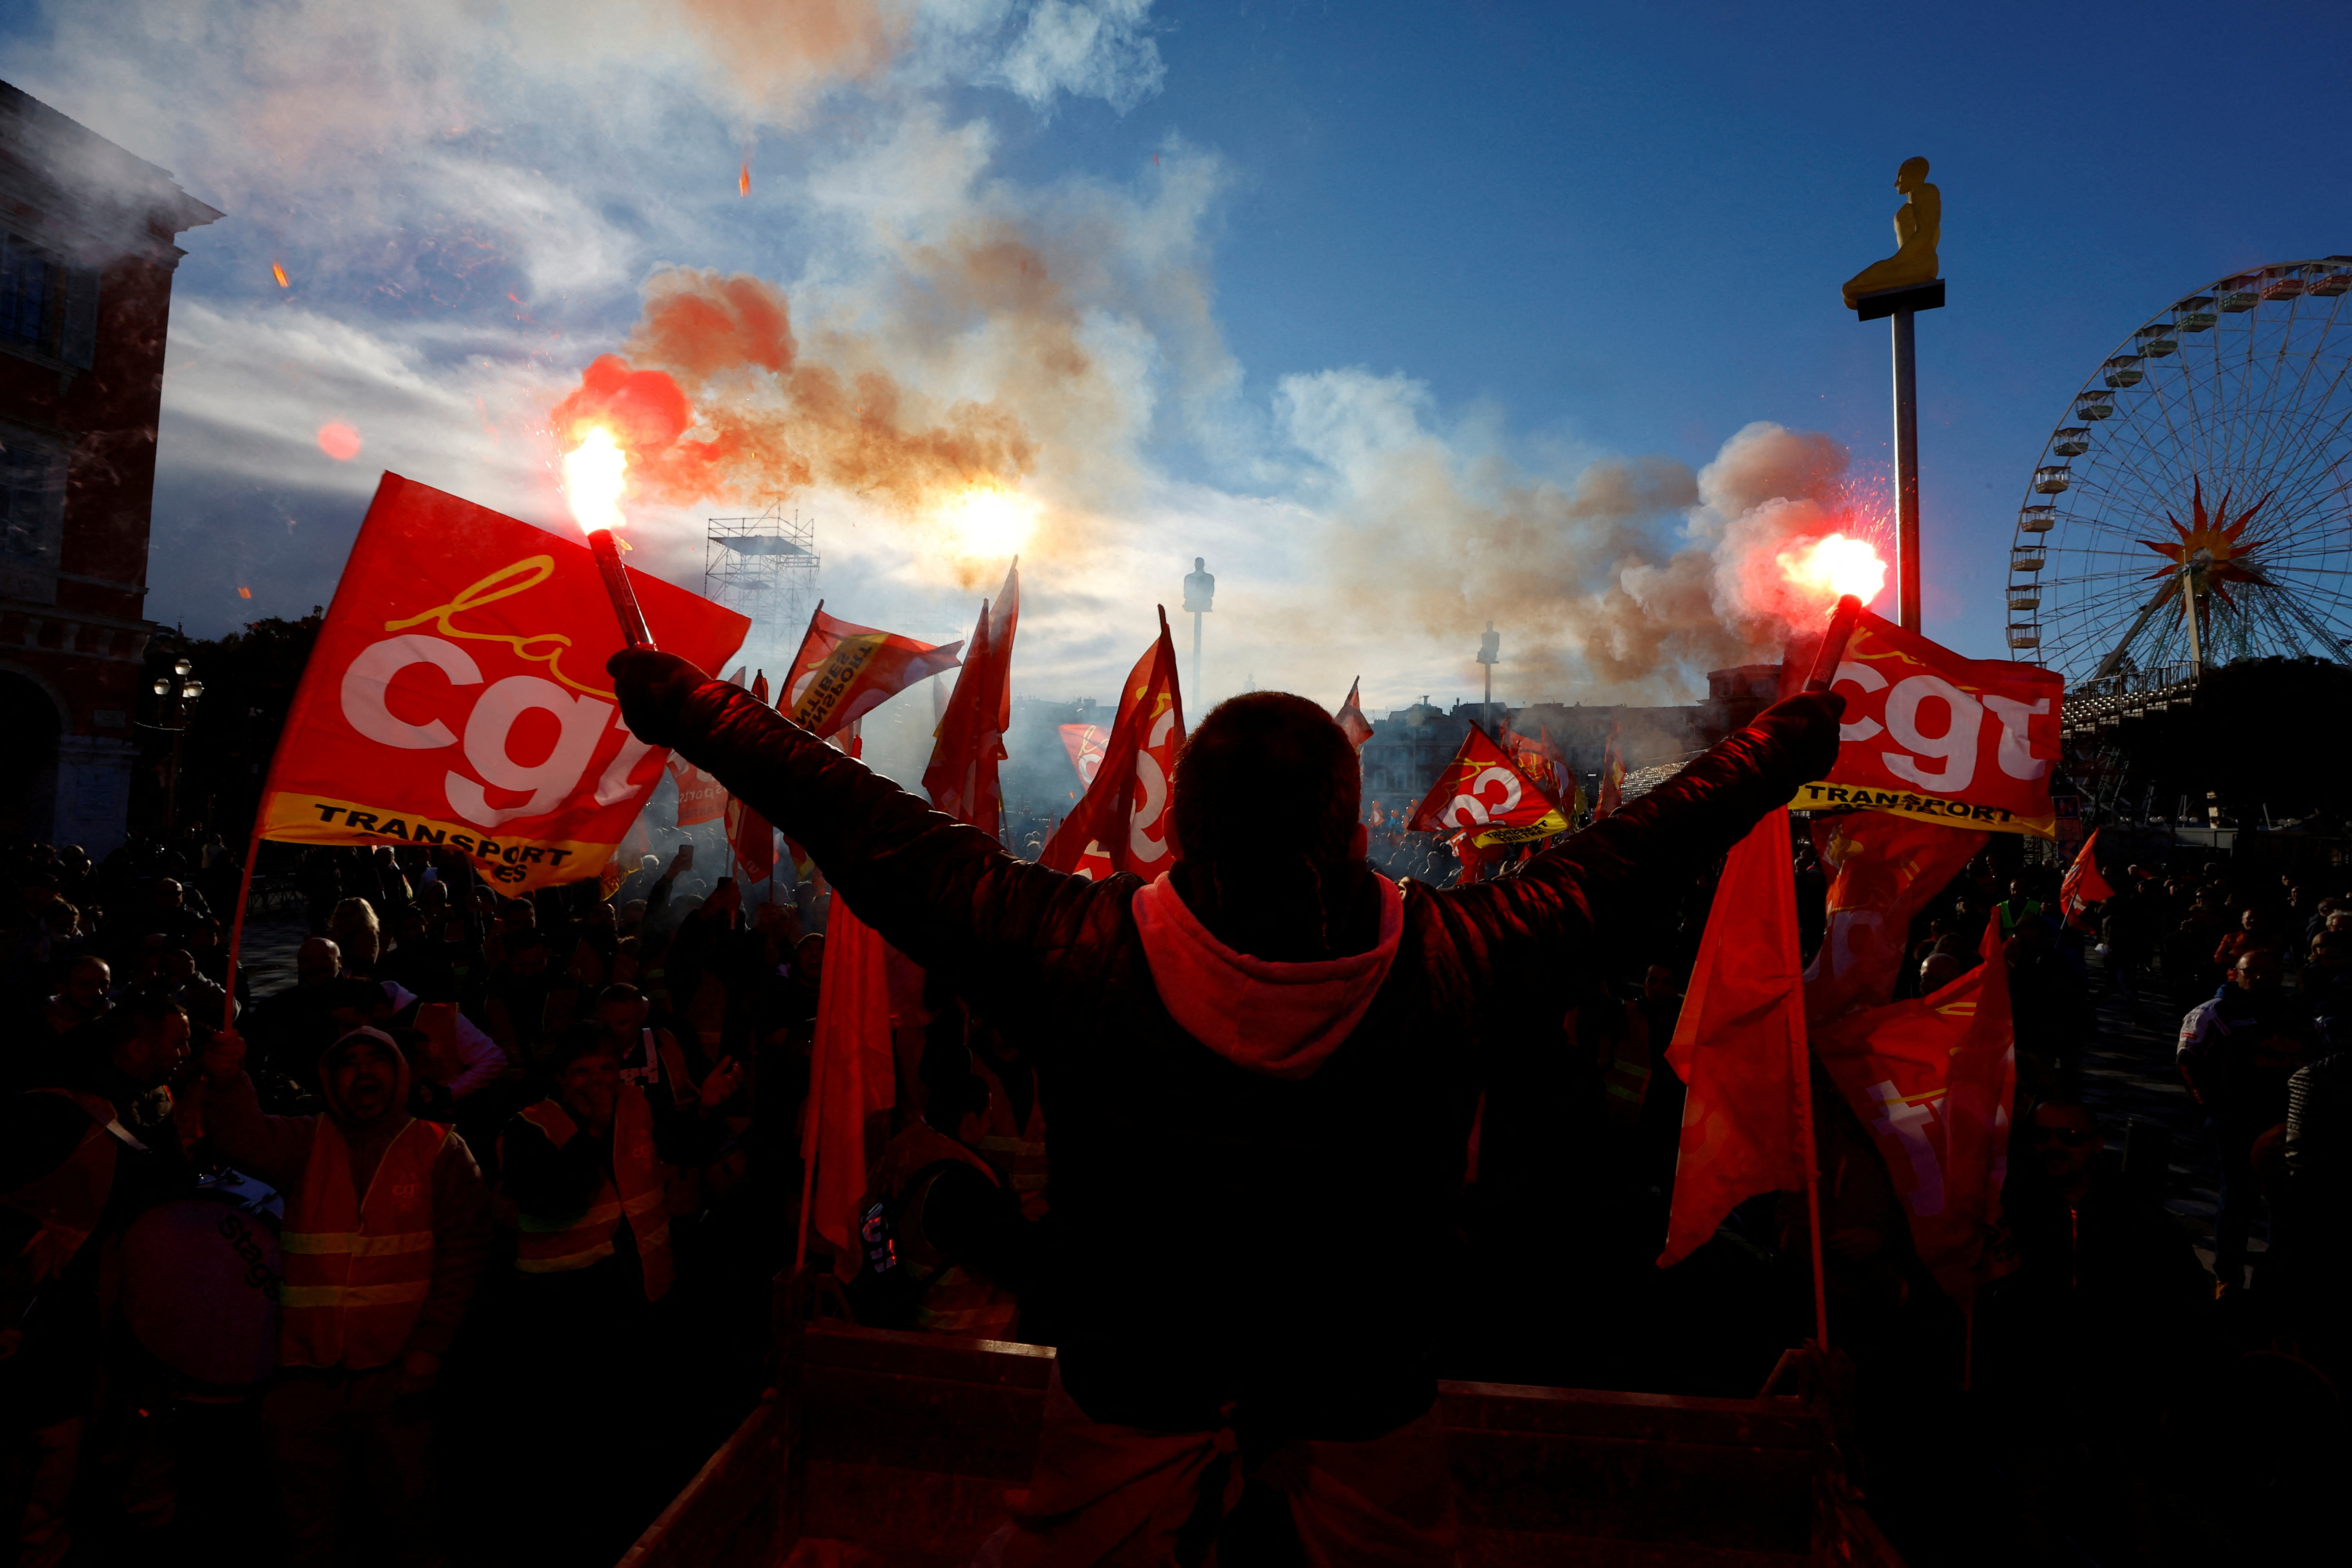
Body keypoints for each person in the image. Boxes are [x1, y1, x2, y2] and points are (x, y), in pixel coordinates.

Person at [606, 645, 1841, 1564]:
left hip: (1117, 1436)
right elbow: (1632, 857)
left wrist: (701, 711)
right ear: (1347, 828)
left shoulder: (1067, 949)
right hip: (1370, 1439)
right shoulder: (1462, 958)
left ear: (1183, 825)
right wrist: (1772, 750)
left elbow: (869, 828)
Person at [198, 1025, 492, 1568]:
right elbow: (239, 1135)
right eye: (349, 1062)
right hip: (304, 1376)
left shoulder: (441, 1148)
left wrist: (430, 1347)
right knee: (306, 1526)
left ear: (399, 1073)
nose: (363, 1072)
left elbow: (465, 1257)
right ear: (330, 1079)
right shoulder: (305, 1140)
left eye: (376, 1060)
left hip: (398, 1374)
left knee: (411, 1515)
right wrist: (226, 1079)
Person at [0, 994, 196, 1566]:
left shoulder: (154, 1102)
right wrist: (26, 1245)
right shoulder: (50, 1110)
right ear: (136, 1047)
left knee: (125, 1418)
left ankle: (138, 1529)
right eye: (178, 1041)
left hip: (123, 1295)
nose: (186, 1052)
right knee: (53, 1433)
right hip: (53, 1306)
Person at [851, 1063, 1039, 1337]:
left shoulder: (906, 1144)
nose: (990, 1126)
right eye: (988, 1116)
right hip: (965, 1329)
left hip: (912, 1309)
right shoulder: (958, 1182)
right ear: (970, 1119)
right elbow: (1009, 1260)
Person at [2180, 950, 2315, 1294]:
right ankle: (2227, 1276)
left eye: (2268, 971)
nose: (2259, 977)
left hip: (2287, 1125)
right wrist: (2217, 1110)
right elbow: (2188, 1062)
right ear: (2235, 973)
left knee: (2286, 1203)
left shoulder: (2296, 1012)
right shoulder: (2213, 1012)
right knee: (2237, 1199)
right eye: (2251, 970)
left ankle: (2275, 1277)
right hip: (2237, 1123)